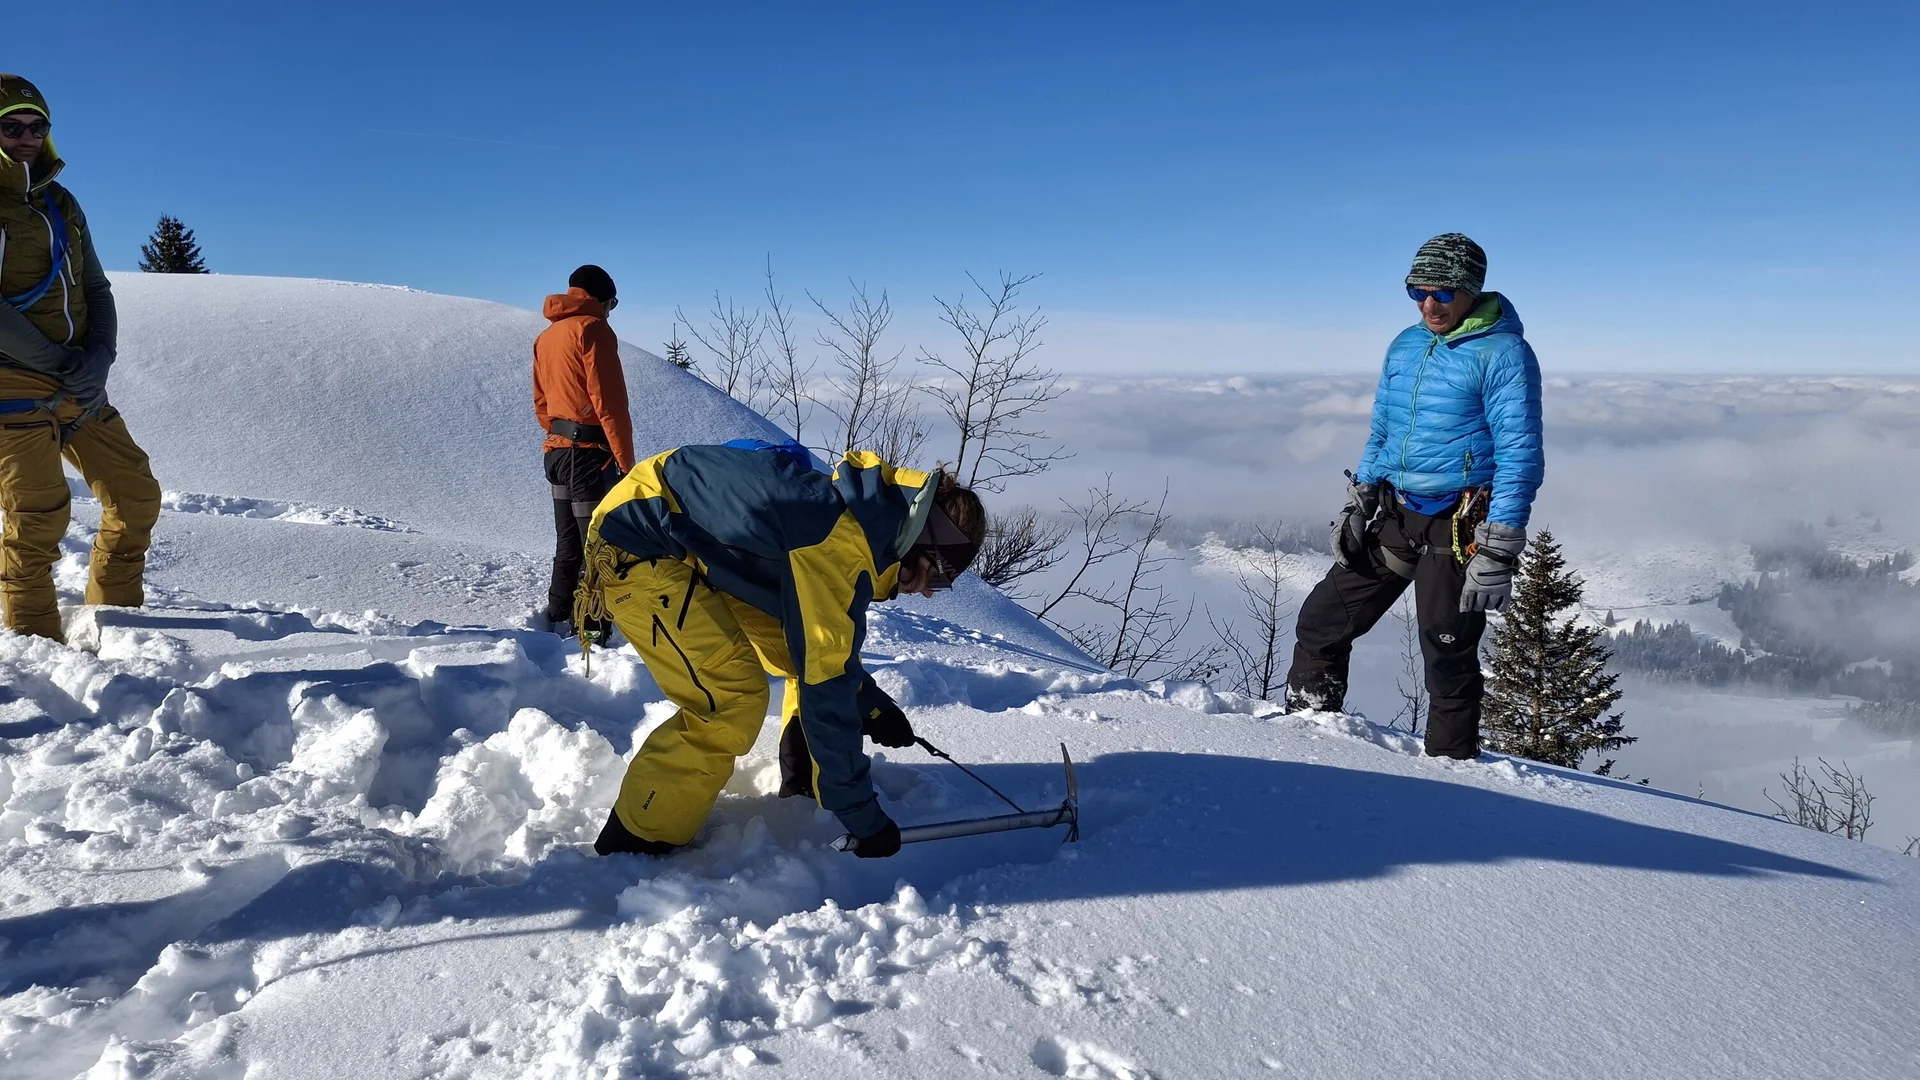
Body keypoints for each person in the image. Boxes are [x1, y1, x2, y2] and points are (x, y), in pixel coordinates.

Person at [573, 444, 986, 859]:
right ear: (920, 541)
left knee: (795, 652)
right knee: (730, 701)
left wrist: (868, 704)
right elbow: (826, 681)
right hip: (636, 540)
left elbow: (819, 649)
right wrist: (862, 816)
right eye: (940, 574)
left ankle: (803, 777)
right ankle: (637, 840)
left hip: (683, 540)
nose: (931, 592)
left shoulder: (859, 523)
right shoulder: (839, 545)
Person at [1285, 233, 1544, 759]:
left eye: (1443, 293)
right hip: (1396, 514)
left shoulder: (1504, 353)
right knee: (1322, 621)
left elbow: (1520, 453)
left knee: (1446, 656)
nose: (1429, 305)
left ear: (1471, 291)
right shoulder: (1406, 344)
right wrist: (1361, 495)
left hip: (1460, 524)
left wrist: (1500, 546)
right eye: (1416, 291)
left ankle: (1451, 775)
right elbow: (1383, 427)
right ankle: (1306, 747)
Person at [0, 74, 160, 642]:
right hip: (13, 386)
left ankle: (116, 622)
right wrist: (57, 360)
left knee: (136, 495)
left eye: (36, 126)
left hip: (79, 379)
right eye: (10, 126)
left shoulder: (59, 200)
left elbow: (96, 288)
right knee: (37, 521)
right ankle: (36, 647)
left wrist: (101, 355)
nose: (25, 137)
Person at [533, 264, 632, 634]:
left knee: (568, 542)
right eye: (613, 303)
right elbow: (610, 404)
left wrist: (558, 435)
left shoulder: (547, 336)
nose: (611, 311)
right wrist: (625, 463)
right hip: (588, 454)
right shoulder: (593, 330)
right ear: (601, 299)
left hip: (557, 452)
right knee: (597, 545)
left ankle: (558, 617)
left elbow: (541, 401)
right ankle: (592, 630)